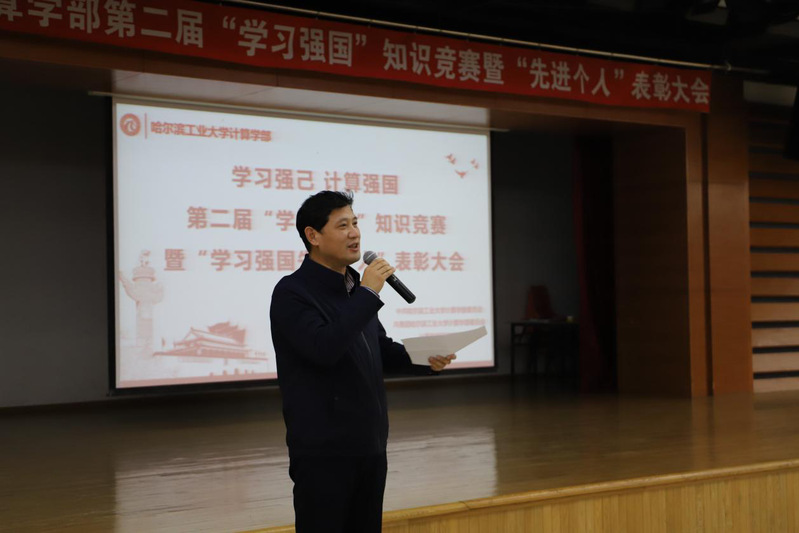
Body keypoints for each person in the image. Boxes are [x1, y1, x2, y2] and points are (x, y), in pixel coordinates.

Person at [270, 190, 455, 533]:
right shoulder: (292, 292)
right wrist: (368, 294)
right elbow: (324, 349)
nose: (355, 233)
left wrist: (424, 359)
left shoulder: (354, 287)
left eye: (355, 223)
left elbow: (377, 348)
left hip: (369, 444)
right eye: (342, 225)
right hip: (323, 452)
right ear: (313, 236)